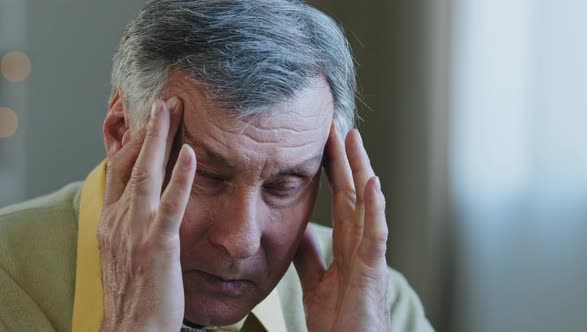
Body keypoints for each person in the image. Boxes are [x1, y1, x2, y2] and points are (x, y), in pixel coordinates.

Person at [0, 0, 433, 331]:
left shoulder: (385, 305)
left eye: (285, 185)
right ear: (120, 132)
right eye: (207, 176)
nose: (240, 241)